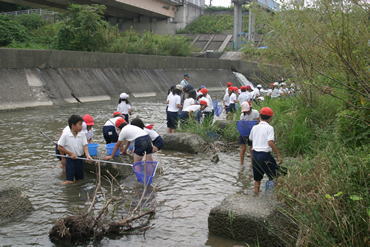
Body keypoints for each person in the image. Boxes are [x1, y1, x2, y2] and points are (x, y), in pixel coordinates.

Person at [249, 107, 282, 195]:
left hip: (255, 156)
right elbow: (270, 142)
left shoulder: (254, 127)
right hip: (265, 155)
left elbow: (252, 142)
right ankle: (271, 196)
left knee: (257, 180)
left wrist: (252, 158)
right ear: (270, 118)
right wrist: (278, 154)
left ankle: (256, 196)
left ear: (259, 116)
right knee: (275, 176)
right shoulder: (269, 128)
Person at [57, 115, 92, 184]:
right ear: (73, 125)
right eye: (80, 124)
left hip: (80, 158)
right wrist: (70, 154)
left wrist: (87, 155)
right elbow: (59, 147)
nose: (81, 127)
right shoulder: (65, 135)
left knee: (80, 179)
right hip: (70, 159)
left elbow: (85, 145)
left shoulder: (82, 134)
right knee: (69, 181)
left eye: (82, 124)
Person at [239, 102, 259, 166]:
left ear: (250, 108)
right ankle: (241, 164)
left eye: (247, 111)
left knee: (252, 148)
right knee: (243, 149)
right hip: (244, 133)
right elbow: (241, 125)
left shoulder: (255, 112)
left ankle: (252, 164)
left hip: (252, 133)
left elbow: (259, 121)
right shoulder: (242, 115)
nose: (246, 112)